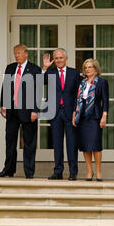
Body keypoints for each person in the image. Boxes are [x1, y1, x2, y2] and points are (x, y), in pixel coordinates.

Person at [0, 44, 42, 179]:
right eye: (15, 53)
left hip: (28, 111)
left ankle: (29, 172)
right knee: (10, 141)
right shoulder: (10, 67)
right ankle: (8, 170)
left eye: (19, 53)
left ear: (26, 54)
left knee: (29, 143)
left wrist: (35, 110)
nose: (17, 55)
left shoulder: (34, 69)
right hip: (12, 111)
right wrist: (3, 104)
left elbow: (38, 91)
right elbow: (5, 86)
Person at [42, 49, 81, 181]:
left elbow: (78, 94)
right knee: (57, 144)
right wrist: (45, 68)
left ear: (66, 58)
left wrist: (76, 111)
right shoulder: (50, 72)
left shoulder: (74, 73)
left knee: (71, 144)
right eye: (56, 58)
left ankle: (72, 172)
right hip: (55, 113)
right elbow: (39, 82)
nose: (58, 60)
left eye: (61, 57)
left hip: (70, 113)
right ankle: (58, 172)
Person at [72, 58, 109, 182]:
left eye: (90, 67)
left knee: (96, 145)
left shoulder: (102, 82)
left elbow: (105, 101)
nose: (87, 69)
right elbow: (77, 100)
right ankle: (89, 171)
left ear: (96, 69)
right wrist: (74, 115)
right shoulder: (81, 83)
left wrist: (104, 116)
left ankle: (98, 171)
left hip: (95, 117)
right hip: (82, 118)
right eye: (86, 67)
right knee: (85, 146)